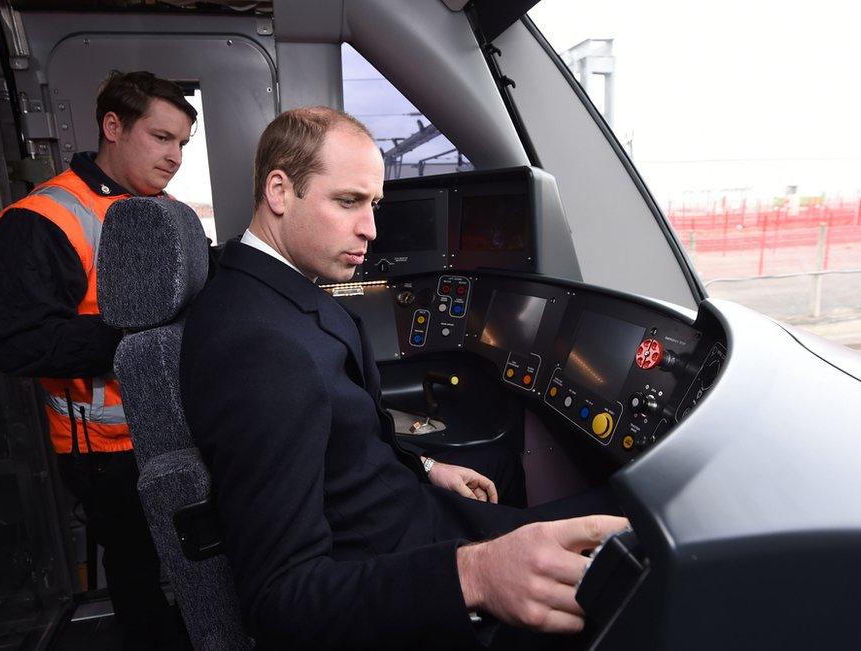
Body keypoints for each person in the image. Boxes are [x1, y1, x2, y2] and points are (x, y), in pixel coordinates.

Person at [180, 106, 628, 650]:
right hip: (405, 569)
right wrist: (478, 576)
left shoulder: (266, 291)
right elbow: (280, 599)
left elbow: (338, 441)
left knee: (552, 487)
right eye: (348, 202)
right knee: (634, 528)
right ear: (279, 190)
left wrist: (426, 465)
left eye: (373, 205)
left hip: (405, 513)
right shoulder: (257, 346)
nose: (370, 228)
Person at [0, 70, 196, 649]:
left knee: (197, 568)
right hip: (108, 451)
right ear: (113, 126)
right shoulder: (43, 219)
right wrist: (136, 335)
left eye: (182, 143)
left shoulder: (163, 210)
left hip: (178, 428)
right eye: (161, 138)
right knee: (139, 582)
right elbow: (17, 342)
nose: (174, 156)